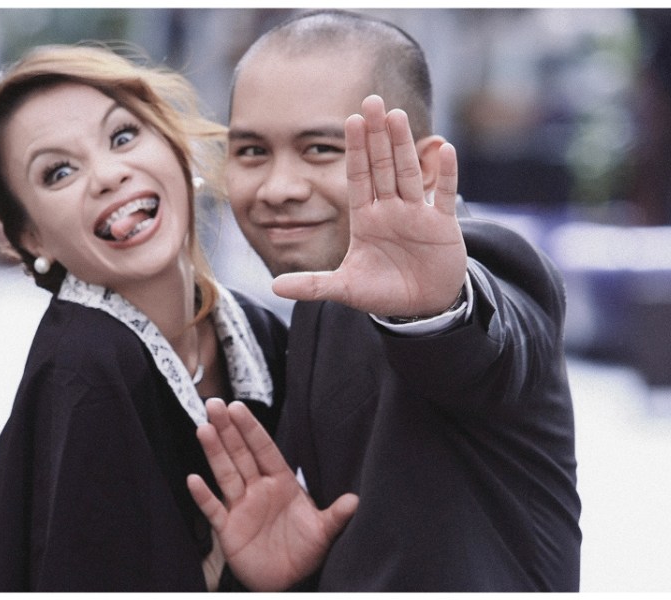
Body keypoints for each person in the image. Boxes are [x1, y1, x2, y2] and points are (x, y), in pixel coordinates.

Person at [187, 9, 581, 592]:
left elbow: (485, 346)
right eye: (250, 152)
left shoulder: (485, 264)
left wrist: (432, 310)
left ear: (420, 167)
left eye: (320, 149)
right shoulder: (320, 302)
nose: (278, 188)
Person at [0, 43, 288, 592]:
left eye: (123, 137)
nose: (107, 175)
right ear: (34, 239)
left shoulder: (260, 332)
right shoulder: (86, 366)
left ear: (175, 147)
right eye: (58, 172)